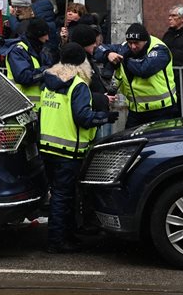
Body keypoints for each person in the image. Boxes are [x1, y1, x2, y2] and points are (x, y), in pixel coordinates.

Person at [39, 42, 118, 253]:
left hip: (48, 148)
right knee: (64, 197)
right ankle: (57, 241)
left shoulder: (49, 81)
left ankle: (66, 235)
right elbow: (83, 117)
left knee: (60, 195)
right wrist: (105, 117)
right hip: (68, 151)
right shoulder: (78, 85)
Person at [95, 23, 178, 129]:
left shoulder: (159, 49)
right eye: (130, 43)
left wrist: (123, 58)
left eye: (136, 43)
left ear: (145, 40)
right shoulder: (125, 47)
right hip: (136, 112)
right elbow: (98, 49)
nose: (133, 46)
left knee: (158, 144)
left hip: (162, 111)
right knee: (130, 143)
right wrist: (108, 54)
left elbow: (144, 69)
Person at [0, 18, 53, 111]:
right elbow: (24, 77)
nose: (47, 38)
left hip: (41, 107)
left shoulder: (41, 49)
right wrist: (45, 71)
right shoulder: (17, 50)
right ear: (37, 35)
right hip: (22, 107)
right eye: (44, 34)